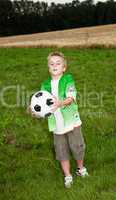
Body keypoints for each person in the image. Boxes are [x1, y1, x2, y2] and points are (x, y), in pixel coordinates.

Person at [30, 51, 89, 188]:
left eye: (58, 63)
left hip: (72, 121)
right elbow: (43, 106)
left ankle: (80, 168)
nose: (54, 65)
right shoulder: (45, 85)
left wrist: (60, 103)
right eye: (51, 64)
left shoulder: (68, 79)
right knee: (61, 150)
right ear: (48, 67)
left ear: (64, 67)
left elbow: (70, 97)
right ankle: (68, 175)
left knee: (77, 146)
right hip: (56, 125)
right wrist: (36, 112)